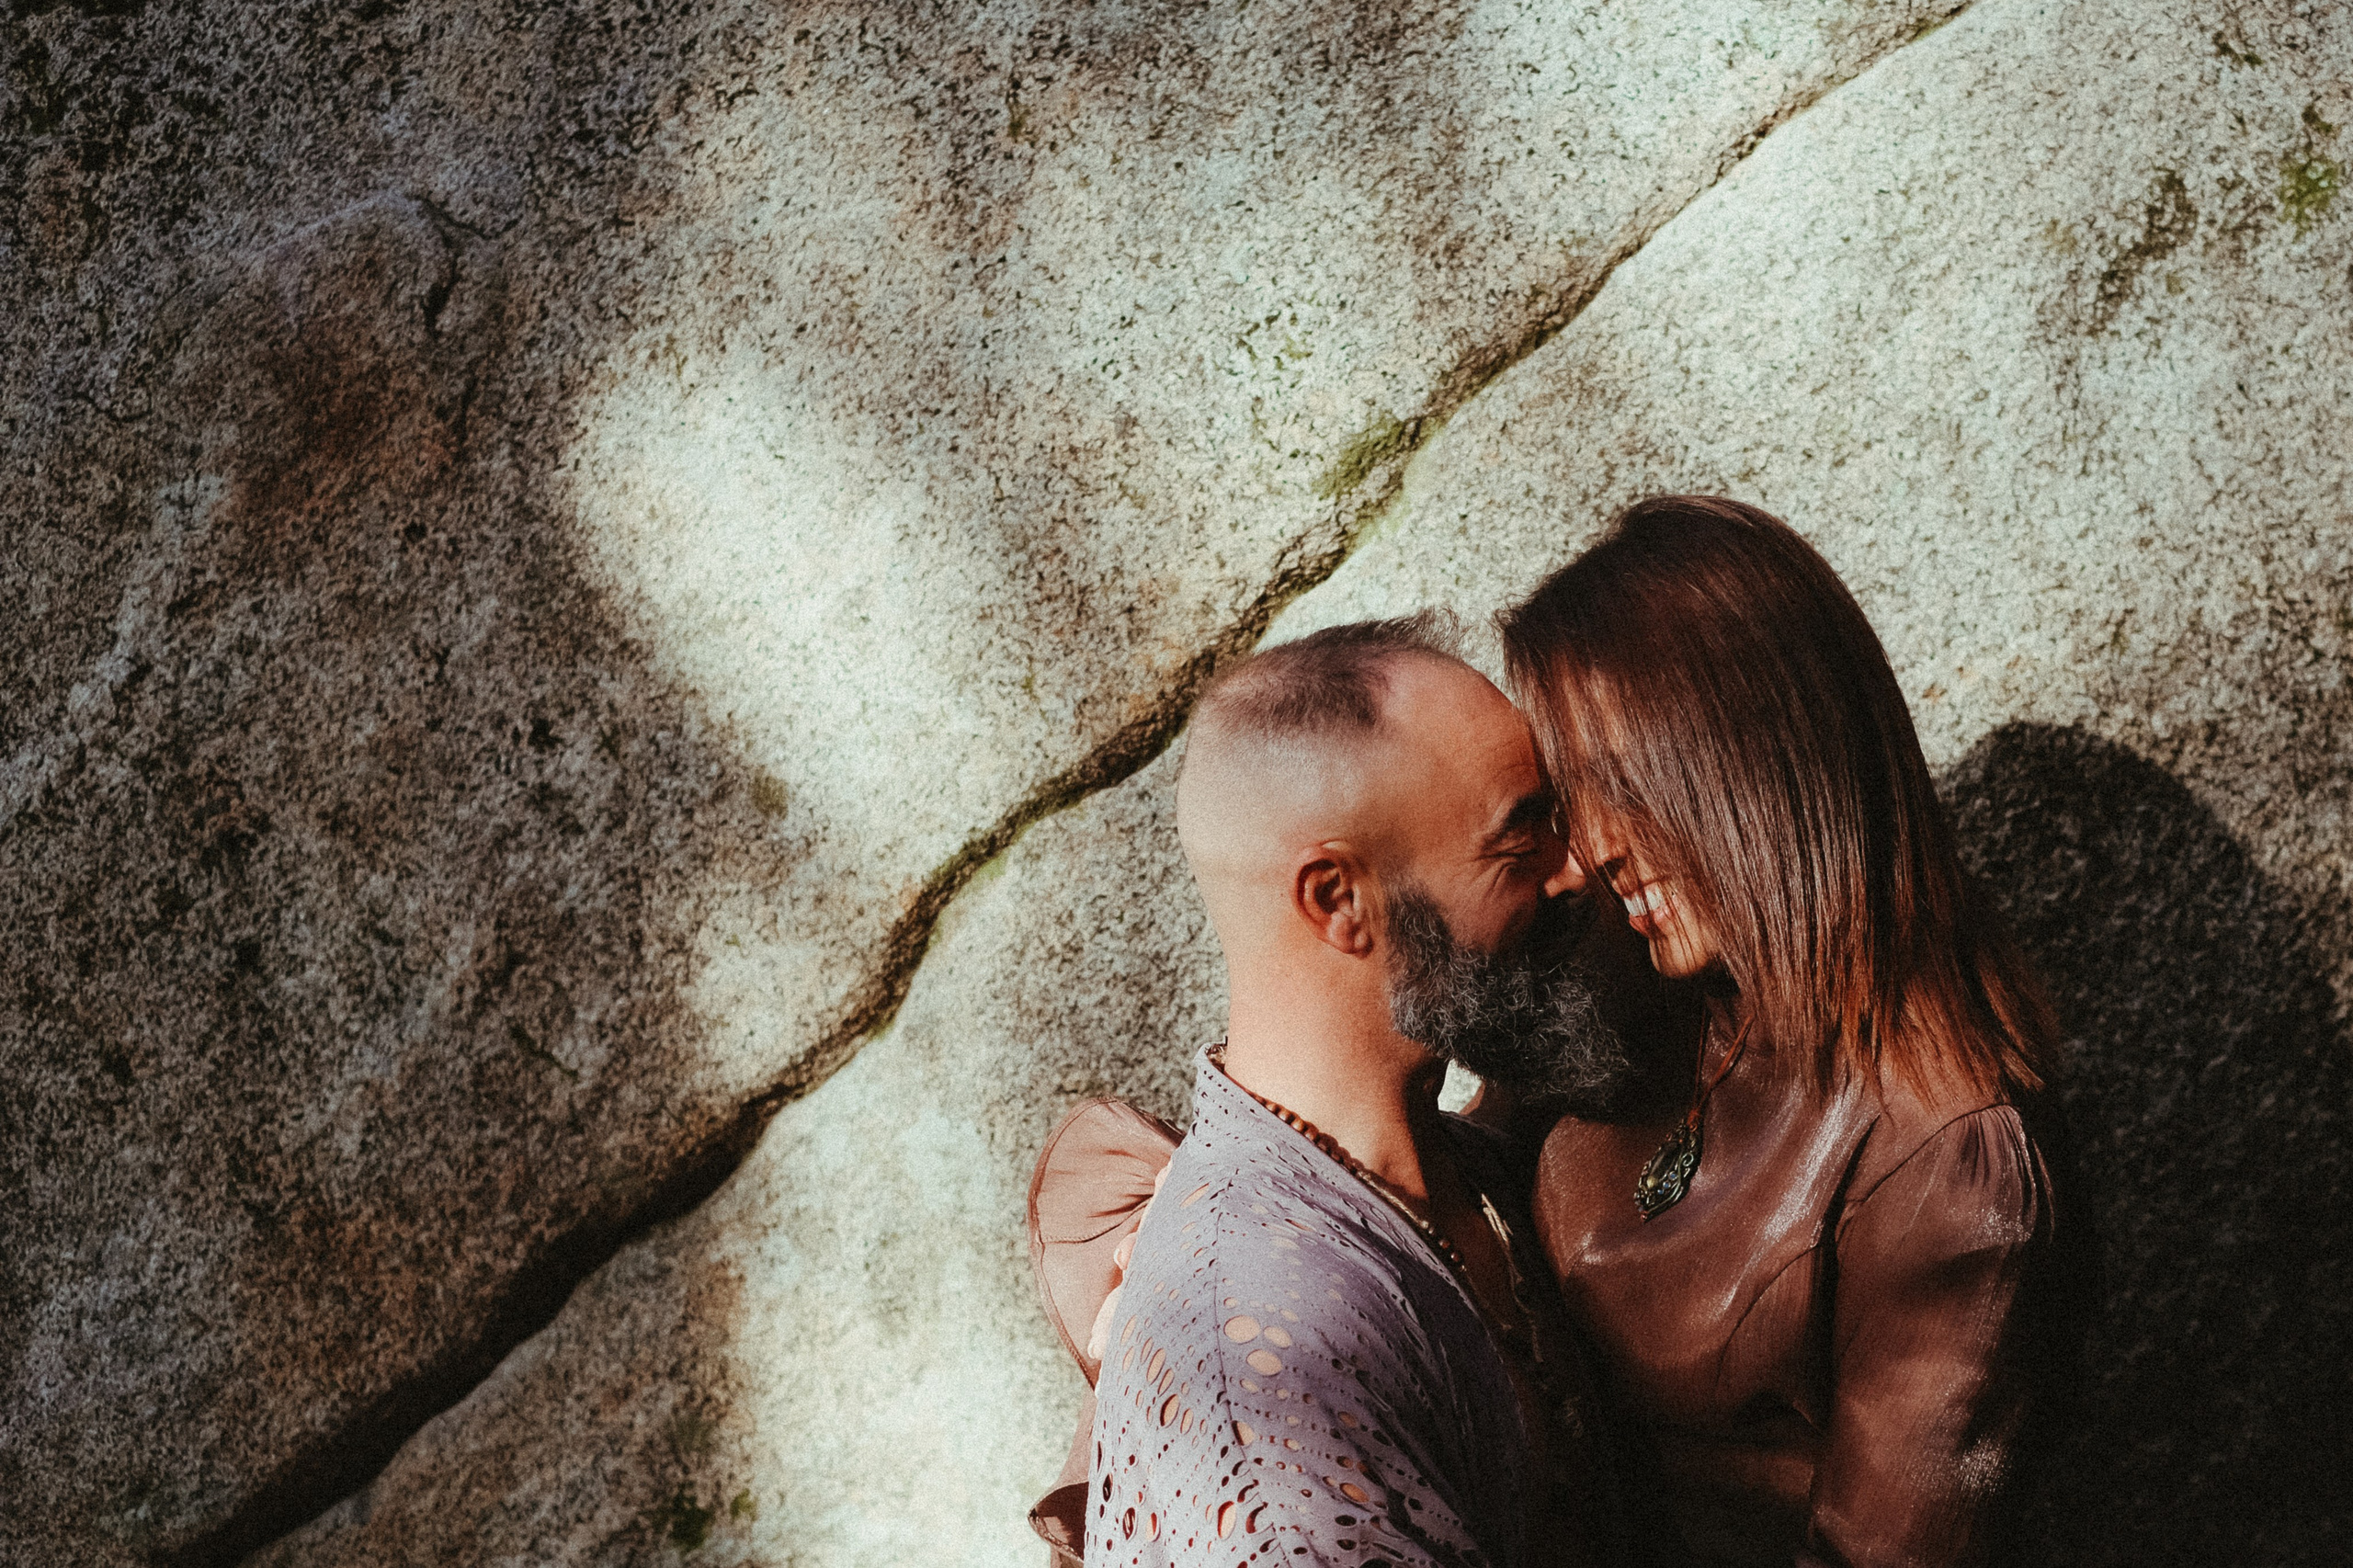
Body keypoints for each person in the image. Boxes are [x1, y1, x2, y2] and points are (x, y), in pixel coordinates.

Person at [1495, 496, 2063, 1568]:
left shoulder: (1953, 1170)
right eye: (1569, 796)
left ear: (1754, 760)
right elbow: (1448, 1186)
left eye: (1619, 785)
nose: (1591, 849)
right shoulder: (1649, 987)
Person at [1075, 613, 1626, 1568]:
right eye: (1519, 840)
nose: (1576, 871)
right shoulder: (1263, 1373)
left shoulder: (1456, 1163)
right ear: (1338, 899)